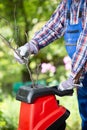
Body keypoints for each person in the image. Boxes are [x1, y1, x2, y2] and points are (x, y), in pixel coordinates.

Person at [14, 0, 87, 129]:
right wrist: (30, 46)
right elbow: (53, 27)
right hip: (83, 75)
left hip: (80, 71)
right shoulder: (68, 3)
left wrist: (73, 76)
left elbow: (85, 42)